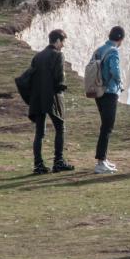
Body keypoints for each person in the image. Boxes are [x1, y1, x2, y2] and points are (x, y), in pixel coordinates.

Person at [28, 29, 74, 174]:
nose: (63, 45)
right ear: (58, 41)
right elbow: (59, 79)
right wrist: (62, 87)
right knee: (60, 127)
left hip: (37, 98)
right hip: (52, 97)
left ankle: (38, 165)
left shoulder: (37, 57)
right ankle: (58, 162)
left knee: (39, 133)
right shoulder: (58, 55)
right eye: (63, 42)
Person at [91, 26, 125, 174]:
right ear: (120, 39)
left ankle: (103, 159)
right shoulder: (113, 51)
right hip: (110, 92)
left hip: (98, 91)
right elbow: (115, 71)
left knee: (105, 126)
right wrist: (120, 84)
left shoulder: (99, 50)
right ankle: (100, 163)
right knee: (107, 127)